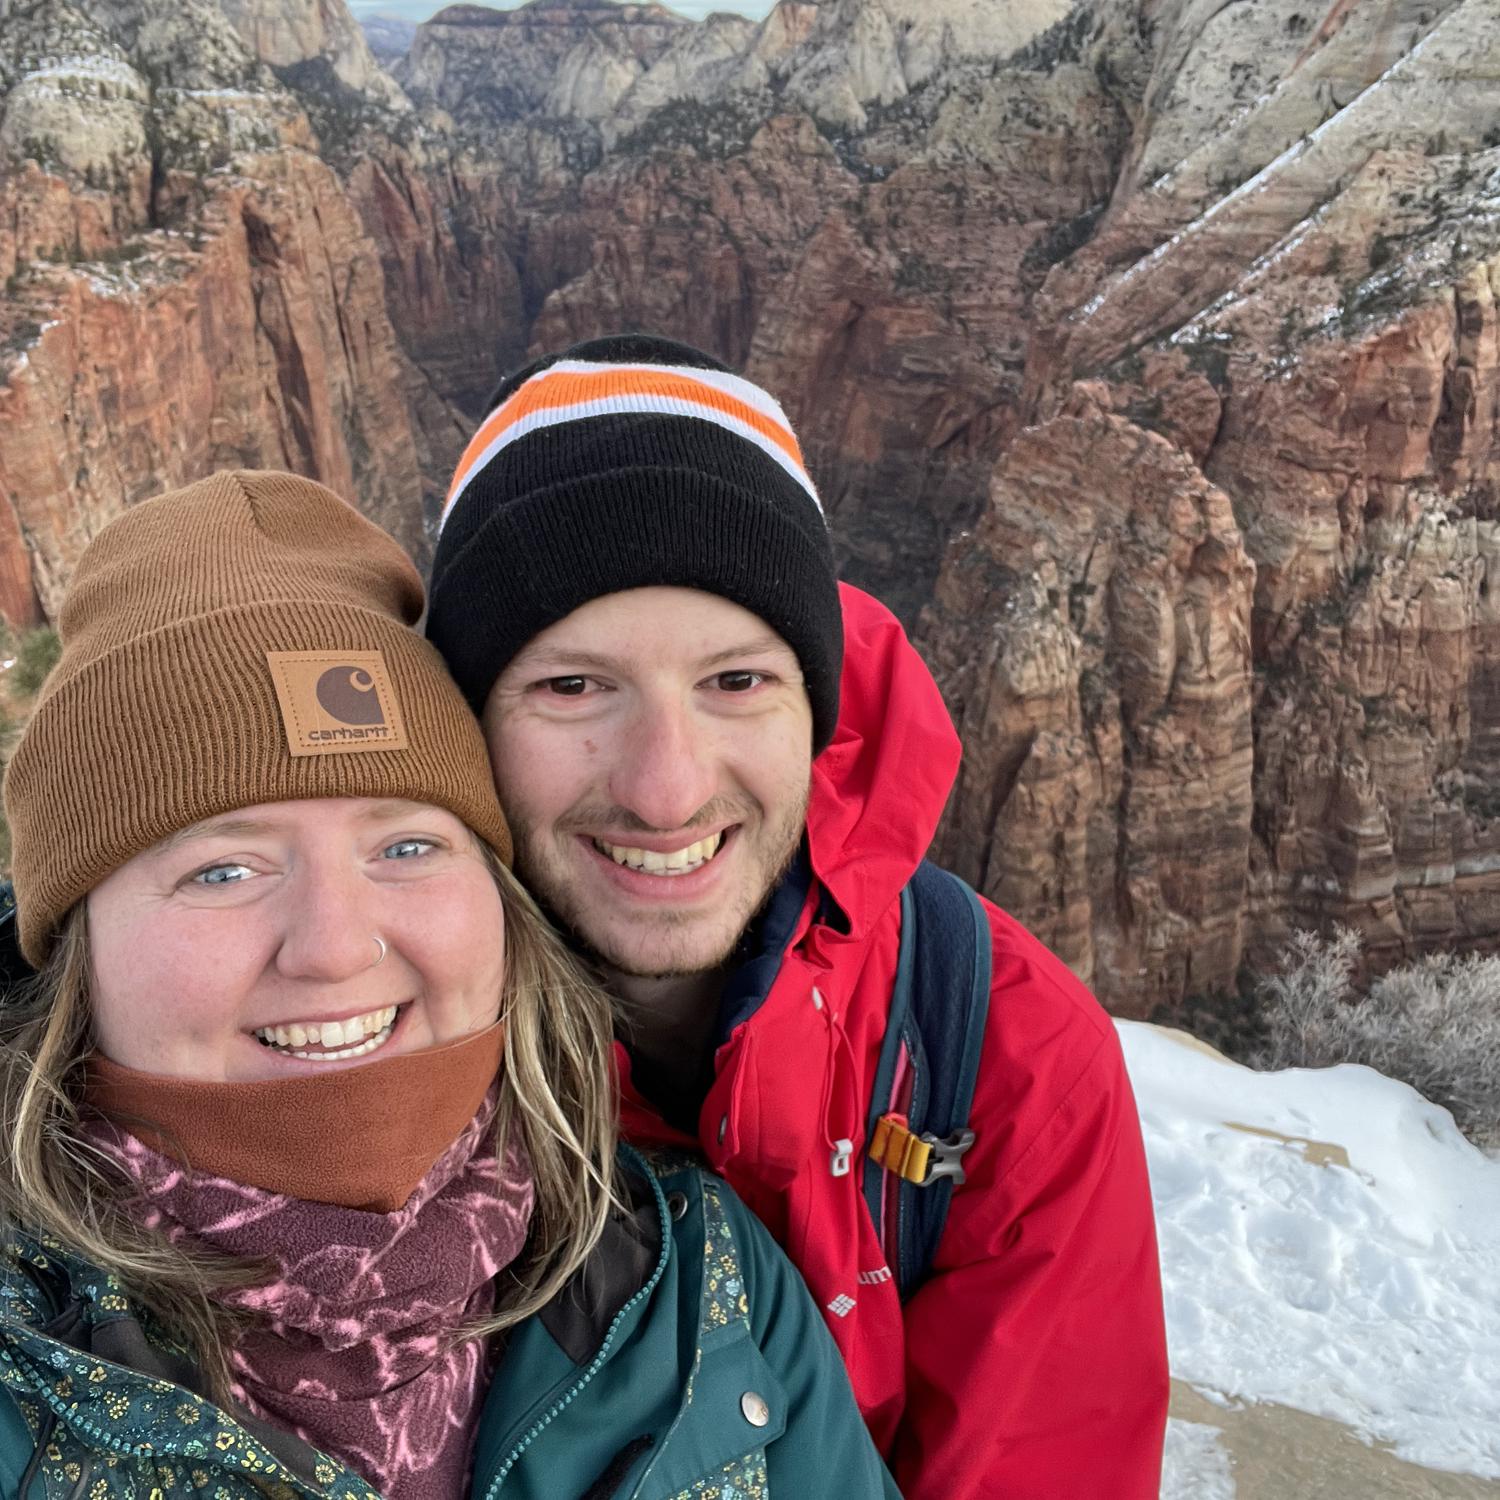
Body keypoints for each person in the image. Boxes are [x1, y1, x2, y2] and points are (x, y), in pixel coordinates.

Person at [0, 470, 900, 1500]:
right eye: (222, 870)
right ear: (77, 951)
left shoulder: (703, 1289)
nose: (335, 947)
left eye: (408, 845)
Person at [425, 335, 1172, 1499]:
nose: (666, 788)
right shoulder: (370, 1034)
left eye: (737, 682)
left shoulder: (1012, 1062)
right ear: (471, 725)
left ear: (816, 715)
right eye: (573, 686)